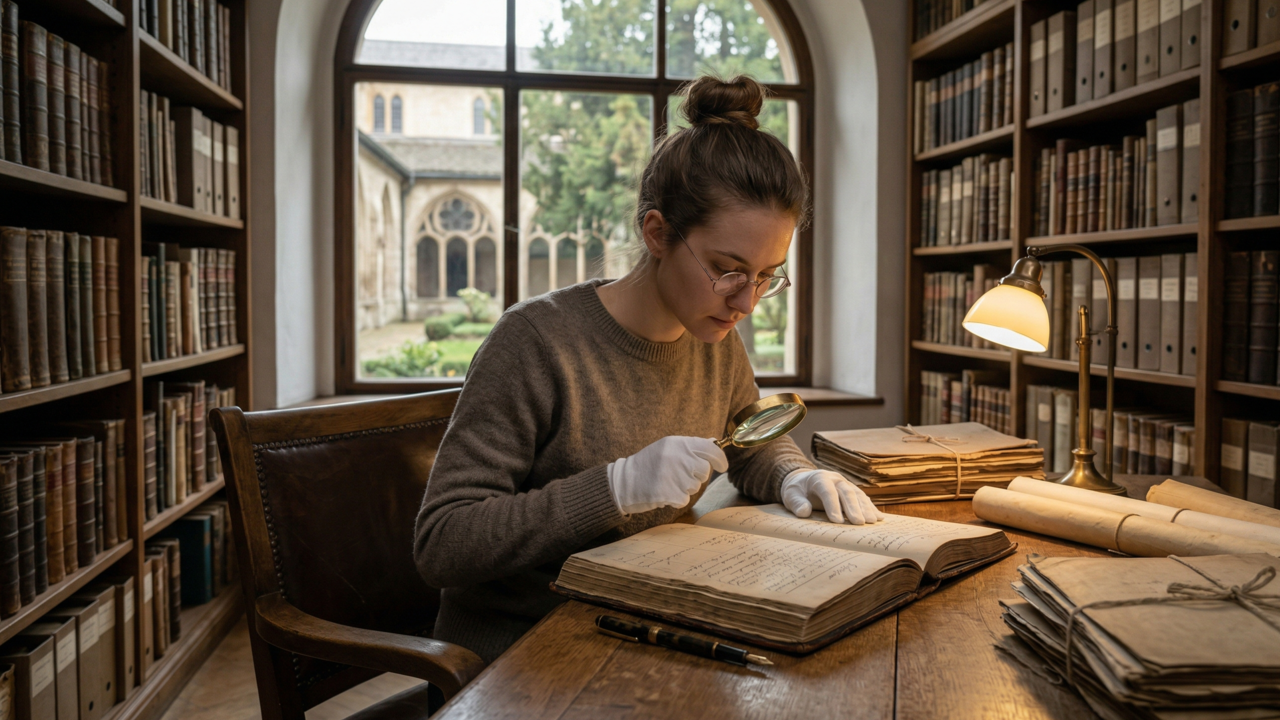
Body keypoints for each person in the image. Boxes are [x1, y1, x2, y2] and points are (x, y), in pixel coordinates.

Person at [413, 74, 884, 665]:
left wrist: (797, 476)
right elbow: (444, 543)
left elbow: (749, 442)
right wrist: (613, 489)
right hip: (523, 655)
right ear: (656, 232)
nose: (747, 303)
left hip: (648, 632)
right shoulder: (535, 340)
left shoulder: (714, 335)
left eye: (767, 275)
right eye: (728, 269)